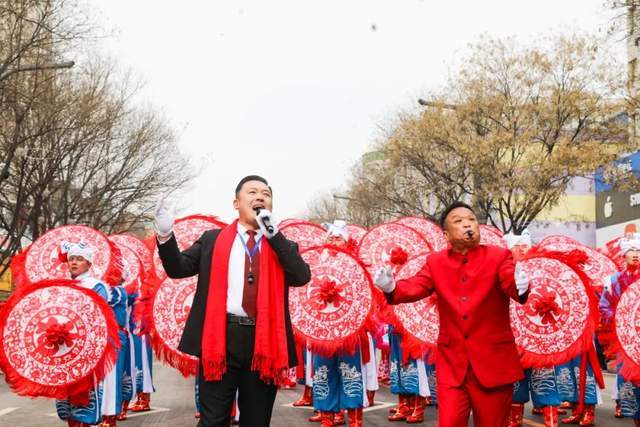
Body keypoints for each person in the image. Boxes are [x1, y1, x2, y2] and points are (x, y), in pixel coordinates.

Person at [154, 175, 311, 427]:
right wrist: (164, 236)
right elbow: (178, 268)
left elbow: (301, 276)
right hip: (220, 339)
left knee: (256, 421)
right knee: (213, 421)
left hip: (264, 341)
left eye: (266, 194)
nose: (260, 197)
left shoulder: (282, 244)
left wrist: (274, 235)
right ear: (236, 202)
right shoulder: (212, 240)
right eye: (252, 192)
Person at [374, 202, 530, 427]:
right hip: (452, 365)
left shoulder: (498, 256)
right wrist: (392, 288)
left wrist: (520, 286)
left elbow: (509, 280)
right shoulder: (435, 262)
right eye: (458, 221)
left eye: (472, 219)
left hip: (493, 363)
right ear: (446, 234)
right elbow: (417, 285)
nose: (467, 224)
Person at [55, 242, 113, 427]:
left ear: (89, 264)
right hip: (64, 349)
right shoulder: (60, 286)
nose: (74, 263)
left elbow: (99, 318)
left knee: (84, 400)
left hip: (86, 349)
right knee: (66, 400)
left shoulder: (97, 286)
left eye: (80, 259)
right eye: (71, 259)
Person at [600, 234, 640, 426]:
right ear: (624, 255)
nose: (636, 254)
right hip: (626, 338)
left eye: (639, 250)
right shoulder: (614, 280)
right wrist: (620, 318)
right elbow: (604, 306)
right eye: (632, 250)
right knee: (628, 377)